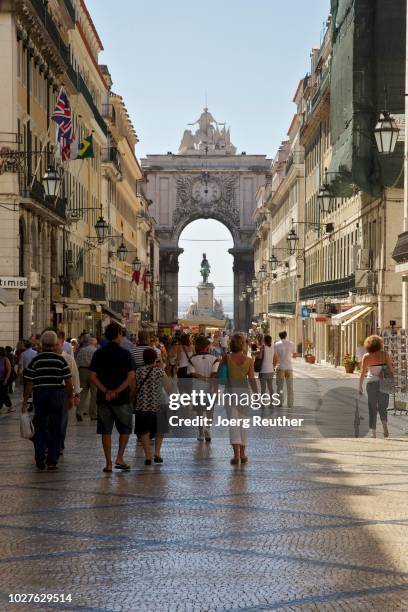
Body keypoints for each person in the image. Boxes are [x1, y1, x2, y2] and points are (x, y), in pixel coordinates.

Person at [23, 331, 73, 471]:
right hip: (57, 394)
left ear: (42, 343)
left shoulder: (36, 360)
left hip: (40, 394)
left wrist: (25, 401)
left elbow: (29, 382)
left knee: (40, 426)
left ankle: (39, 457)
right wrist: (70, 397)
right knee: (55, 427)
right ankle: (52, 461)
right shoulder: (60, 360)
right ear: (54, 343)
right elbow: (68, 381)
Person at [89, 323, 135, 473]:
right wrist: (117, 391)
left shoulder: (98, 353)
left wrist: (106, 390)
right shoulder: (125, 354)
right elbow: (130, 376)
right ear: (119, 335)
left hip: (104, 399)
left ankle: (108, 463)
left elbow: (93, 376)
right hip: (122, 399)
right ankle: (119, 457)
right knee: (125, 428)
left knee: (106, 431)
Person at [223, 333, 257, 464]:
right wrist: (256, 394)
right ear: (243, 345)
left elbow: (217, 374)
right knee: (242, 423)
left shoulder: (226, 358)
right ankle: (243, 454)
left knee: (233, 424)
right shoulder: (248, 360)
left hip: (230, 393)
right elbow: (252, 379)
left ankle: (235, 455)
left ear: (231, 345)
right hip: (244, 394)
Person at [134, 348, 171, 464]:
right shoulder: (160, 372)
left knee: (144, 431)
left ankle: (148, 456)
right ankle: (157, 453)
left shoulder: (138, 371)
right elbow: (168, 388)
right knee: (160, 430)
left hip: (142, 406)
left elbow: (134, 388)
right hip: (158, 405)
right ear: (155, 359)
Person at [359, 335, 392, 438]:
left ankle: (373, 432)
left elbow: (363, 372)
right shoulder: (385, 354)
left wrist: (360, 386)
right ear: (380, 344)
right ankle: (385, 426)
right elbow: (391, 370)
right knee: (383, 406)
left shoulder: (366, 356)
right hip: (384, 383)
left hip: (371, 383)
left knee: (372, 407)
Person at [188, 335, 219, 442]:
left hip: (197, 389)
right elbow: (214, 374)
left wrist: (203, 378)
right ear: (207, 347)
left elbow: (192, 373)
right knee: (210, 410)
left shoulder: (192, 359)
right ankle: (207, 429)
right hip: (210, 389)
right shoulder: (214, 359)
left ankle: (201, 433)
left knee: (199, 412)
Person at [55, 335, 81, 454]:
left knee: (62, 420)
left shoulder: (69, 359)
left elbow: (75, 376)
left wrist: (76, 394)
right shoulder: (47, 357)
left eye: (57, 344)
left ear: (62, 344)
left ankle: (59, 443)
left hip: (64, 391)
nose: (55, 346)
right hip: (50, 391)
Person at [75, 334, 97, 422]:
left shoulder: (81, 350)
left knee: (83, 392)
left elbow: (77, 361)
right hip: (92, 371)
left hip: (82, 371)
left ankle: (79, 411)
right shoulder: (95, 350)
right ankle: (93, 414)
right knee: (94, 393)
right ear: (92, 342)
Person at [274, 331, 295, 408]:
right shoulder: (291, 344)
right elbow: (294, 354)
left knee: (280, 387)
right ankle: (290, 403)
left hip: (280, 367)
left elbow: (275, 357)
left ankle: (280, 402)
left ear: (279, 336)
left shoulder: (276, 345)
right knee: (290, 386)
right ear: (286, 335)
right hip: (289, 367)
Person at [259, 335, 275, 399]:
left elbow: (260, 357)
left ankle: (263, 402)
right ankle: (272, 401)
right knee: (270, 387)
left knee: (263, 388)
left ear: (264, 340)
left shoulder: (263, 347)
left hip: (263, 370)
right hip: (271, 369)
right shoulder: (273, 347)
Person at [0, 347, 12, 412]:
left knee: (4, 394)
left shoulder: (5, 360)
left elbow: (9, 371)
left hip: (3, 380)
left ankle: (10, 406)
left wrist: (6, 380)